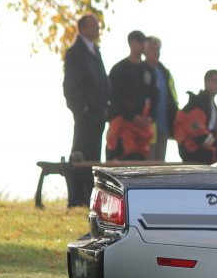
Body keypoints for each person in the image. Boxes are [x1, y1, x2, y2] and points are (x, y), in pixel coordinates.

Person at [62, 13, 111, 206]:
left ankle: (90, 195)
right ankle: (77, 196)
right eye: (94, 26)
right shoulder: (75, 52)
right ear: (83, 28)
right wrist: (81, 108)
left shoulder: (95, 51)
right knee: (81, 153)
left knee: (93, 155)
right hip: (85, 112)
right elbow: (71, 84)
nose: (98, 30)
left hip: (98, 112)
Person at [107, 30, 156, 160]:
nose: (143, 44)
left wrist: (150, 118)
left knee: (139, 161)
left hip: (143, 131)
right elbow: (114, 98)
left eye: (145, 41)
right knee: (122, 159)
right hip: (122, 126)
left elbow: (155, 97)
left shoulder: (149, 70)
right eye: (140, 41)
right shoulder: (118, 69)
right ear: (131, 43)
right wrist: (133, 117)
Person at [174, 70, 217, 163]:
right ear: (206, 82)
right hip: (192, 150)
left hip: (207, 148)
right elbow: (199, 135)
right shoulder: (195, 105)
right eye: (216, 81)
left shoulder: (213, 108)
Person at [143, 35, 179, 161]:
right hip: (147, 125)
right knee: (147, 162)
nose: (157, 52)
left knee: (160, 163)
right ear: (145, 50)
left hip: (164, 123)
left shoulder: (165, 72)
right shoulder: (141, 70)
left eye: (158, 49)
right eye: (153, 49)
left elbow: (173, 97)